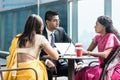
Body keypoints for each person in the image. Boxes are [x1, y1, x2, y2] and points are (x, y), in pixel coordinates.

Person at [3, 14, 59, 80]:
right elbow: (55, 57)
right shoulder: (40, 38)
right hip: (32, 73)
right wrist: (55, 49)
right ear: (40, 26)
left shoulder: (17, 38)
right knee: (47, 70)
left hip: (15, 73)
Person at [40, 10, 83, 80]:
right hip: (45, 64)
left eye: (58, 20)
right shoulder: (40, 34)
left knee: (76, 70)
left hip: (60, 64)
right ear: (47, 22)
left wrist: (79, 62)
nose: (58, 23)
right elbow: (36, 55)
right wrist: (47, 61)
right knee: (47, 72)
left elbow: (72, 45)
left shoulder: (61, 31)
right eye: (55, 21)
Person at [75, 16, 120, 80]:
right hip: (101, 66)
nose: (94, 26)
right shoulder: (97, 37)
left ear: (103, 26)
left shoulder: (111, 36)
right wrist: (77, 52)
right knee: (82, 71)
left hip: (110, 66)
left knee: (87, 74)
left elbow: (105, 55)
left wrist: (87, 52)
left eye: (97, 24)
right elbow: (88, 51)